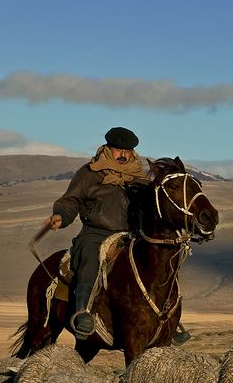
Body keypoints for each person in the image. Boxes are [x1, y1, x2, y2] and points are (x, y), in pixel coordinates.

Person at [48, 126, 190, 344]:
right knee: (89, 257)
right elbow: (71, 200)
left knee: (160, 264)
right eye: (118, 150)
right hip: (96, 232)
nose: (123, 154)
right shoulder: (90, 173)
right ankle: (83, 312)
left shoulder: (141, 178)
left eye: (128, 150)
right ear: (107, 148)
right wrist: (61, 215)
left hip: (132, 235)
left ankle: (168, 319)